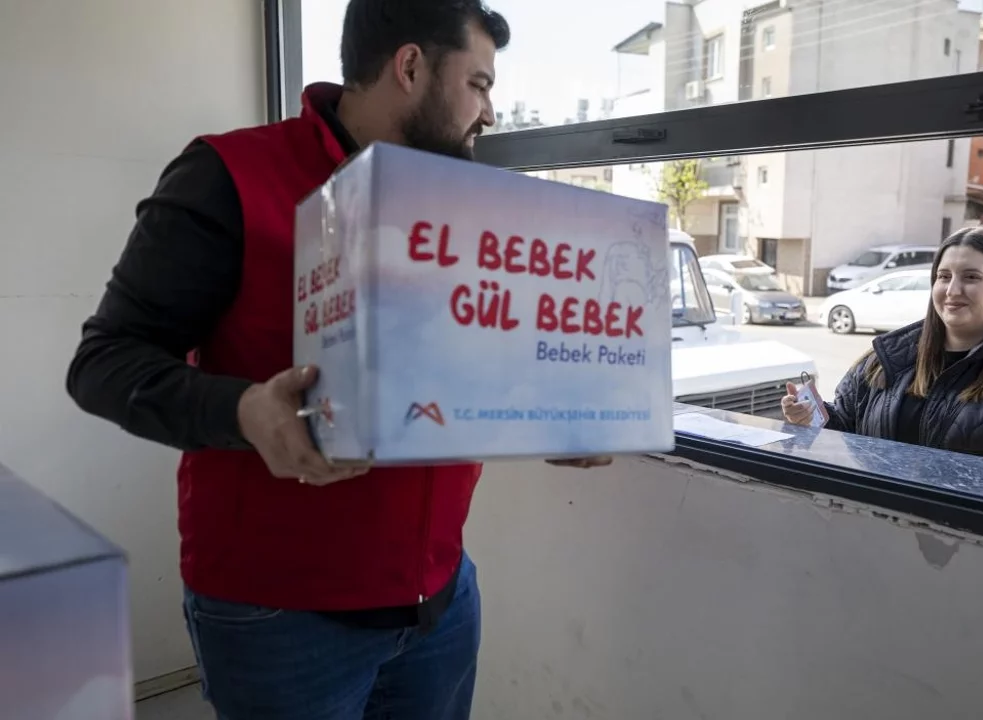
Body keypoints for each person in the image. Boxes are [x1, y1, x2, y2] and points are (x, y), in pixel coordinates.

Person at [65, 1, 608, 718]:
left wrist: (552, 411)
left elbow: (471, 363)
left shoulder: (461, 203)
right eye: (478, 84)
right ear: (410, 67)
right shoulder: (229, 175)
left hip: (442, 599)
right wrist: (244, 411)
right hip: (280, 621)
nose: (490, 112)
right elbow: (103, 362)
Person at [781, 226, 983, 460]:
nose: (952, 290)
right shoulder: (886, 358)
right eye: (944, 276)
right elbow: (844, 426)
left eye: (971, 277)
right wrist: (809, 417)